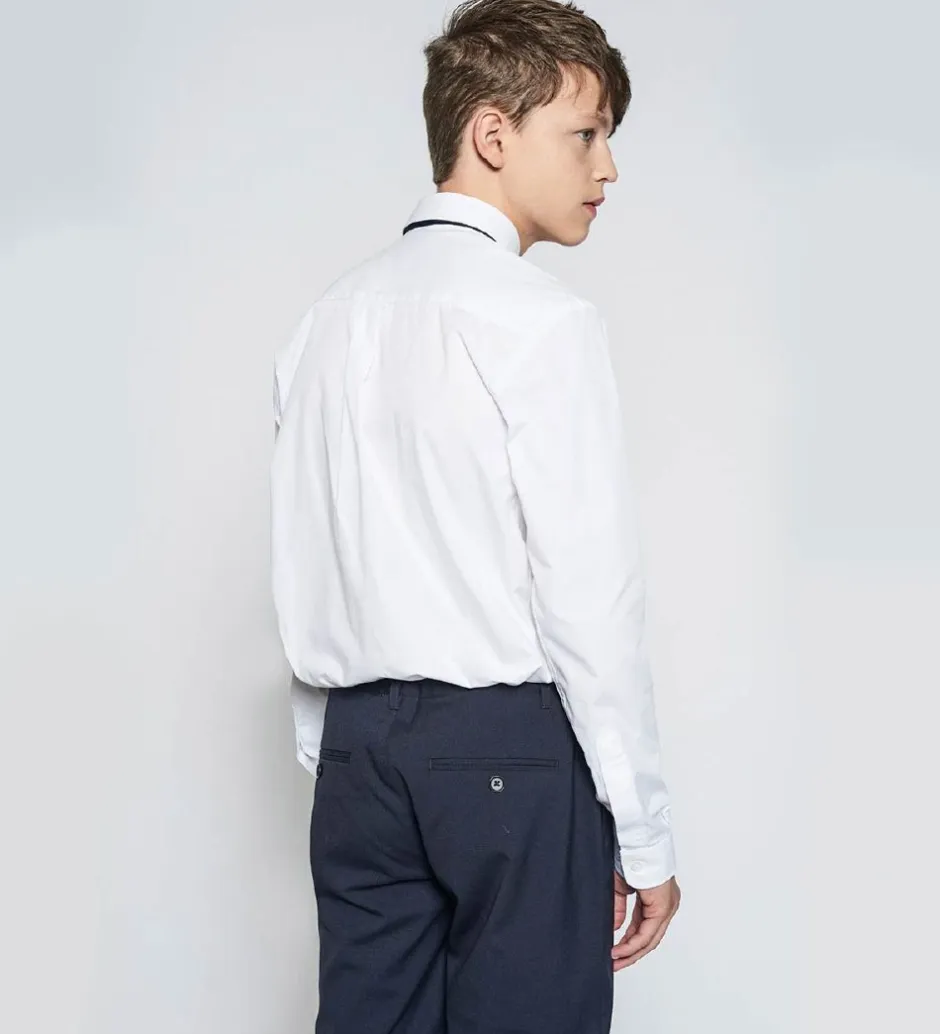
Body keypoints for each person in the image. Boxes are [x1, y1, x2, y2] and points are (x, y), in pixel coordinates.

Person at [270, 1, 680, 1030]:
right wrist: (644, 834)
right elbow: (589, 597)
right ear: (493, 133)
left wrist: (335, 747)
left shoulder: (325, 321)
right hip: (506, 742)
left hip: (359, 751)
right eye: (584, 134)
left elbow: (304, 551)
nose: (607, 168)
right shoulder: (542, 323)